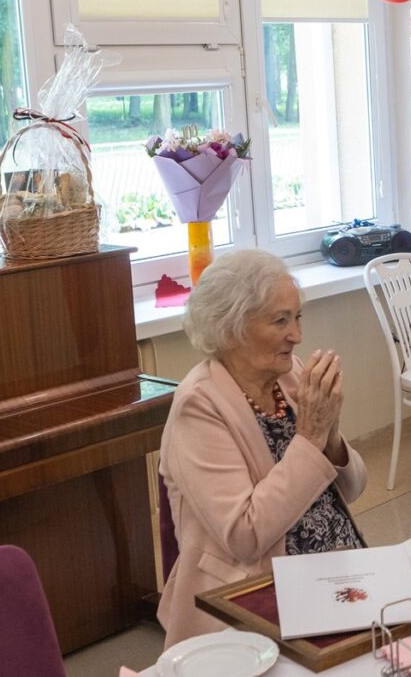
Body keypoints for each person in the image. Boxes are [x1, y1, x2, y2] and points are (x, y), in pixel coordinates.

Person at [157, 250, 367, 648]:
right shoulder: (198, 407)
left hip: (334, 574)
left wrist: (332, 435)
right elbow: (246, 536)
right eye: (281, 320)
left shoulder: (290, 377)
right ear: (233, 327)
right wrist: (309, 439)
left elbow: (353, 490)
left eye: (297, 317)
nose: (297, 335)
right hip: (254, 600)